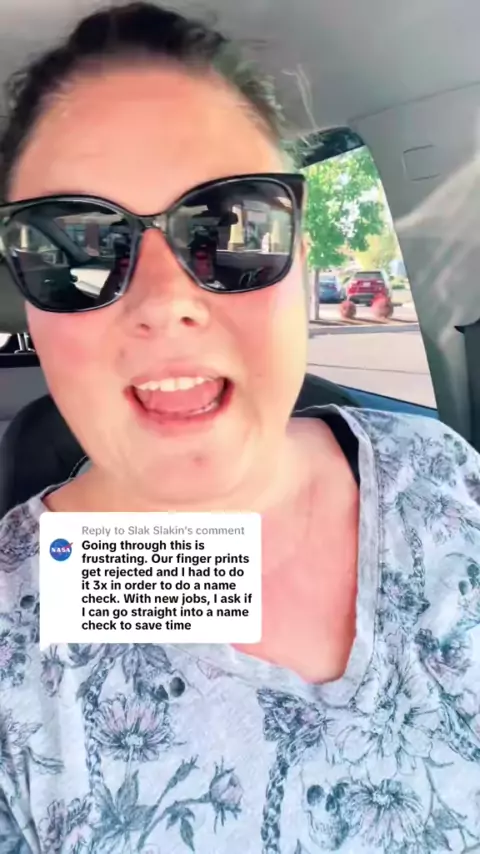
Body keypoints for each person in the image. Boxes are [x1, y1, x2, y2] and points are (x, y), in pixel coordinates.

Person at [0, 4, 480, 853]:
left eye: (228, 227)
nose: (165, 304)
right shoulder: (15, 639)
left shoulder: (443, 482)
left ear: (302, 249)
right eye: (74, 247)